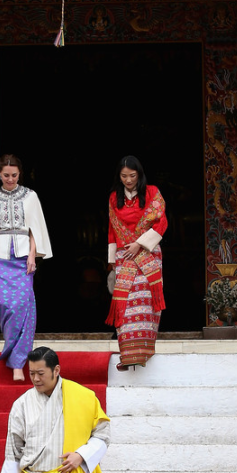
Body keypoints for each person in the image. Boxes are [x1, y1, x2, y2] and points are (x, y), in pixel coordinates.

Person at [0, 154, 52, 381]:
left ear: (19, 174)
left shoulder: (30, 196)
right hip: (0, 257)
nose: (10, 179)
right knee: (4, 304)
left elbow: (36, 229)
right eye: (6, 175)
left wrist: (33, 255)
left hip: (23, 257)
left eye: (14, 175)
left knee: (24, 305)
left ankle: (17, 362)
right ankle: (12, 348)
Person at [106, 155, 167, 370]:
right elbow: (113, 230)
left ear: (139, 175)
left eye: (132, 176)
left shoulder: (152, 193)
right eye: (124, 176)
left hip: (148, 254)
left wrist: (139, 244)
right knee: (126, 304)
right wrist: (113, 261)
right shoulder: (115, 198)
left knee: (145, 302)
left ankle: (145, 351)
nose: (128, 180)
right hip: (124, 257)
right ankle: (128, 354)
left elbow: (161, 223)